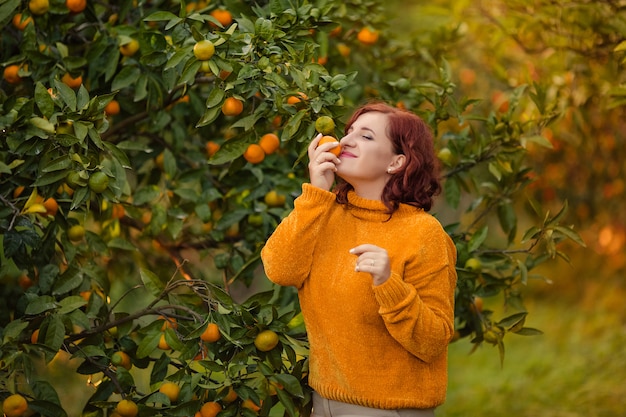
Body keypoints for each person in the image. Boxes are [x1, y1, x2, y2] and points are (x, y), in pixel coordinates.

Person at [260, 101, 457, 417]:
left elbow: (432, 342)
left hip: (389, 409)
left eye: (366, 137)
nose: (346, 141)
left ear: (396, 162)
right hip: (322, 403)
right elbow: (280, 269)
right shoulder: (322, 213)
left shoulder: (423, 233)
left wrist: (388, 284)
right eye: (349, 132)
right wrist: (316, 192)